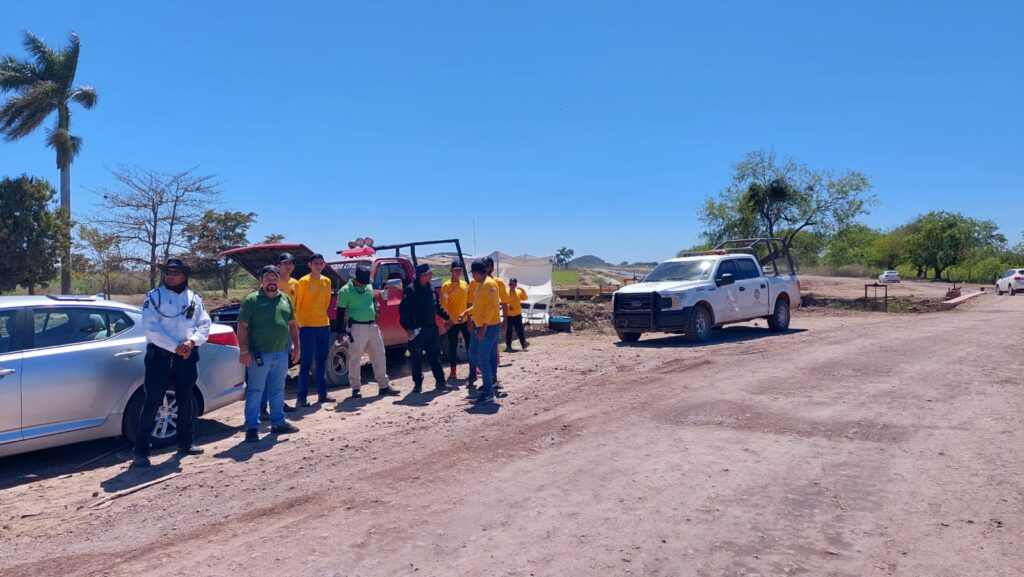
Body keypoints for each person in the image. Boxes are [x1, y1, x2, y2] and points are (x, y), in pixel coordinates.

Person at [132, 258, 211, 467]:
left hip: (187, 357)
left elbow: (204, 324)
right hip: (160, 357)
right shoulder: (154, 297)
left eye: (175, 272)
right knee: (152, 403)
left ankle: (185, 443)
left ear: (184, 275)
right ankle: (141, 452)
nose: (170, 275)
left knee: (185, 401)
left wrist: (192, 342)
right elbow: (150, 328)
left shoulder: (195, 298)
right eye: (167, 272)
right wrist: (176, 347)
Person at [238, 265, 301, 442]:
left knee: (278, 390)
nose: (272, 281)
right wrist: (243, 350)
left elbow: (292, 325)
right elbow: (242, 327)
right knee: (255, 391)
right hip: (259, 355)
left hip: (281, 354)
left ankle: (278, 423)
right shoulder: (251, 300)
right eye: (268, 278)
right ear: (261, 280)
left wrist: (297, 347)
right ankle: (251, 428)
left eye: (275, 278)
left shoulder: (285, 299)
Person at [336, 264, 401, 399]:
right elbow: (340, 312)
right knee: (355, 359)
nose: (365, 284)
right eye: (362, 282)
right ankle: (356, 388)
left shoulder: (368, 286)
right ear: (355, 278)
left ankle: (384, 386)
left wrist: (376, 309)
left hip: (372, 326)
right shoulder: (345, 291)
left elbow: (373, 299)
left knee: (379, 355)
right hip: (356, 328)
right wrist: (341, 331)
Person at [399, 263, 451, 393]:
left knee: (435, 356)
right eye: (428, 273)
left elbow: (437, 307)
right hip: (418, 330)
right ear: (422, 275)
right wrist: (408, 329)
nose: (431, 275)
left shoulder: (432, 289)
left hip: (432, 328)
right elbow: (403, 311)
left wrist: (447, 317)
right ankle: (418, 384)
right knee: (416, 357)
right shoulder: (410, 291)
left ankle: (441, 382)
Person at [458, 260, 502, 404]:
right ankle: (489, 382)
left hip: (489, 327)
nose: (473, 277)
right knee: (473, 354)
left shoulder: (489, 284)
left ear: (477, 273)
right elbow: (478, 306)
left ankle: (489, 393)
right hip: (481, 326)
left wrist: (484, 326)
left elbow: (493, 307)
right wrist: (465, 313)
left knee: (482, 356)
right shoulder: (480, 285)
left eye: (473, 274)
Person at [261, 252, 299, 416]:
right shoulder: (271, 282)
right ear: (278, 266)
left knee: (280, 371)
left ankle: (278, 403)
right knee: (265, 371)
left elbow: (295, 309)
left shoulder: (295, 284)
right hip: (270, 333)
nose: (288, 266)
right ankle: (262, 408)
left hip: (287, 331)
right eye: (284, 263)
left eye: (290, 263)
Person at [294, 253, 335, 406]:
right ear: (310, 265)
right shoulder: (303, 281)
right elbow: (298, 305)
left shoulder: (327, 281)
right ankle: (301, 398)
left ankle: (323, 394)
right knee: (305, 363)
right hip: (307, 326)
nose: (319, 265)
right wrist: (300, 324)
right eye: (316, 263)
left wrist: (321, 318)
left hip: (323, 325)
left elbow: (326, 303)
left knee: (322, 361)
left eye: (321, 263)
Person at [467, 256, 508, 386]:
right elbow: (474, 303)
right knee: (476, 354)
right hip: (478, 324)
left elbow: (497, 305)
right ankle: (489, 378)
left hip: (490, 324)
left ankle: (490, 381)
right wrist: (467, 316)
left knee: (488, 354)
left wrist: (505, 320)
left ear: (491, 268)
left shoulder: (493, 283)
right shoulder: (476, 283)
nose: (486, 267)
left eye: (488, 265)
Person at [439, 261, 470, 379]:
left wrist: (470, 318)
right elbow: (443, 305)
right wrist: (446, 320)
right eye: (456, 270)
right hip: (452, 321)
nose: (458, 272)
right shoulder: (446, 286)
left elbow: (469, 302)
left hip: (465, 319)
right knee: (452, 346)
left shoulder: (465, 285)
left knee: (470, 344)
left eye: (460, 270)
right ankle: (453, 371)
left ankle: (473, 368)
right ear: (451, 271)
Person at [504, 278, 529, 352]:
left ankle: (523, 343)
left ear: (515, 285)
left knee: (520, 330)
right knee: (509, 331)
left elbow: (525, 298)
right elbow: (502, 302)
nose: (511, 286)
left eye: (513, 284)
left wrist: (522, 290)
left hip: (517, 315)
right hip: (509, 315)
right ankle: (508, 346)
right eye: (510, 284)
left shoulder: (518, 292)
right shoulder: (506, 292)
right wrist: (508, 306)